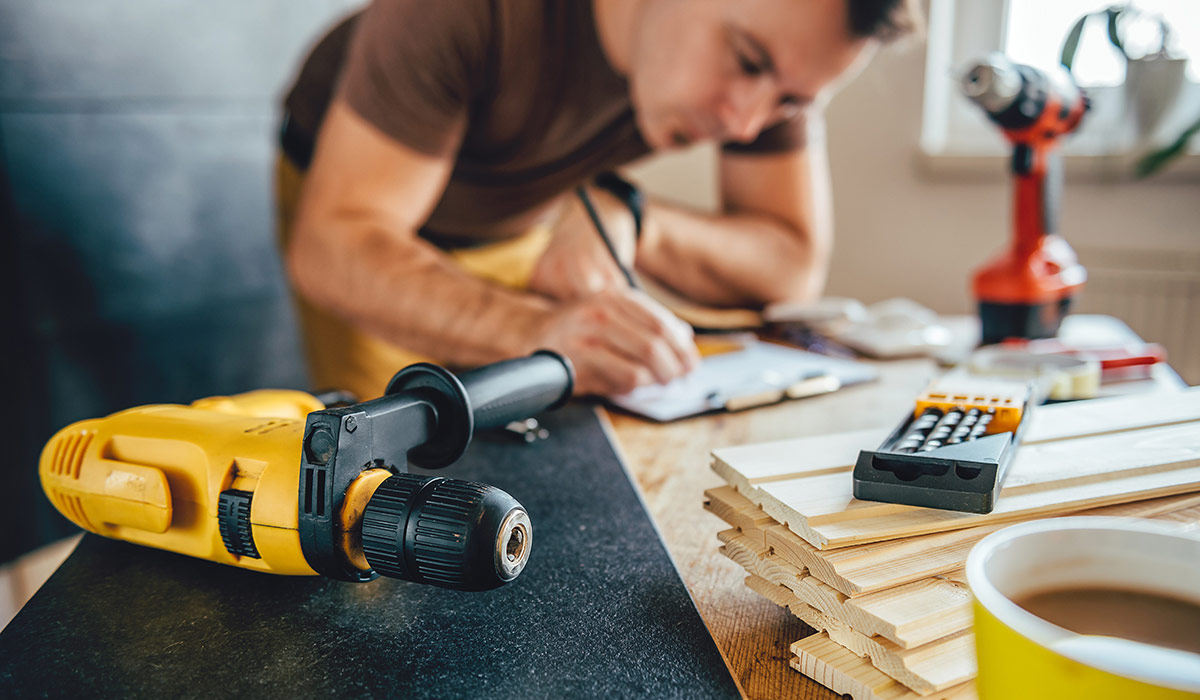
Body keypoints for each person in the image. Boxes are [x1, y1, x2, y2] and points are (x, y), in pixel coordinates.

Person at [277, 0, 916, 400]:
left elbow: (788, 267)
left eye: (791, 102)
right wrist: (538, 331)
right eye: (746, 62)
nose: (747, 123)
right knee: (392, 474)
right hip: (361, 222)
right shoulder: (455, 11)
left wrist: (635, 218)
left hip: (521, 219)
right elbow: (334, 247)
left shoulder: (783, 46)